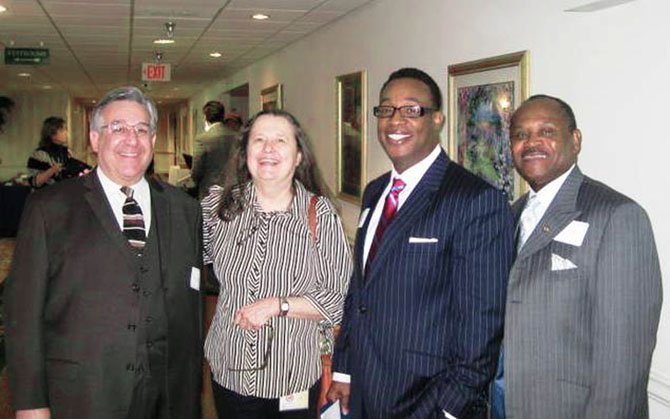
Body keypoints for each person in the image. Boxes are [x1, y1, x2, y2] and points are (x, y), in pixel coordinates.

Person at [4, 86, 203, 419]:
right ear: (95, 139)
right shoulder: (50, 207)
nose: (132, 139)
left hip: (168, 395)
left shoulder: (184, 210)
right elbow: (22, 312)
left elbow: (192, 304)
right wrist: (29, 401)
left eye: (142, 130)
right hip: (84, 394)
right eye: (118, 128)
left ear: (153, 140)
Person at [327, 68, 514, 418]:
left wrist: (448, 407)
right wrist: (345, 368)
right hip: (367, 387)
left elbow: (483, 321)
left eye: (412, 110)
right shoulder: (375, 191)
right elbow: (360, 290)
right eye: (386, 109)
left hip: (427, 398)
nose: (396, 120)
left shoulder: (475, 200)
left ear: (437, 119)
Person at [493, 95, 662, 418]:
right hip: (505, 404)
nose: (531, 143)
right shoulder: (510, 216)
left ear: (575, 140)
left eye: (546, 131)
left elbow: (624, 359)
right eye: (520, 134)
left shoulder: (617, 215)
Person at [202, 109, 352, 419]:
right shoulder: (218, 209)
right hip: (230, 370)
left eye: (280, 140)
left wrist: (278, 305)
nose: (268, 149)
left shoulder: (320, 215)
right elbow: (179, 260)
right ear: (245, 153)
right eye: (259, 140)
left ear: (298, 156)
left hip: (293, 377)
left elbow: (340, 299)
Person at [27, 116, 91, 188]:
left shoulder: (66, 152)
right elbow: (35, 182)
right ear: (52, 134)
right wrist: (53, 170)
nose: (66, 133)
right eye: (62, 130)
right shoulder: (39, 154)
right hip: (46, 196)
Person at [192, 100, 237, 198]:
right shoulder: (236, 137)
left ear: (206, 117)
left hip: (209, 190)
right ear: (222, 116)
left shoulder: (203, 139)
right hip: (232, 190)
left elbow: (196, 172)